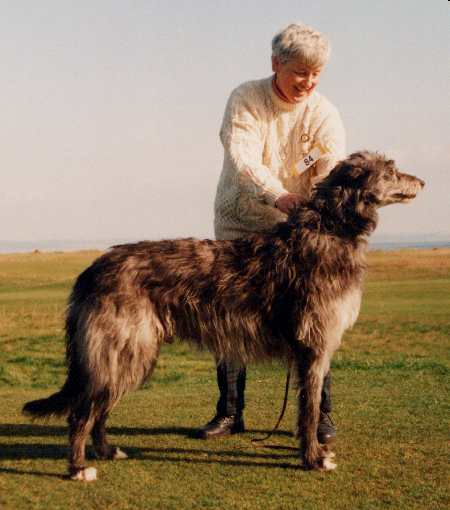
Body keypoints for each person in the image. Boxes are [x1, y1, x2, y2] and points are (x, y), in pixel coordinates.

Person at [196, 23, 346, 442]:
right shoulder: (246, 98)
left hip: (295, 232)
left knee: (313, 321)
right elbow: (243, 160)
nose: (308, 82)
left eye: (316, 73)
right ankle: (229, 412)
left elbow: (329, 171)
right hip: (239, 222)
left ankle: (321, 414)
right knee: (229, 317)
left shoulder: (325, 114)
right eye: (300, 71)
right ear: (276, 64)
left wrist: (315, 208)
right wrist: (279, 196)